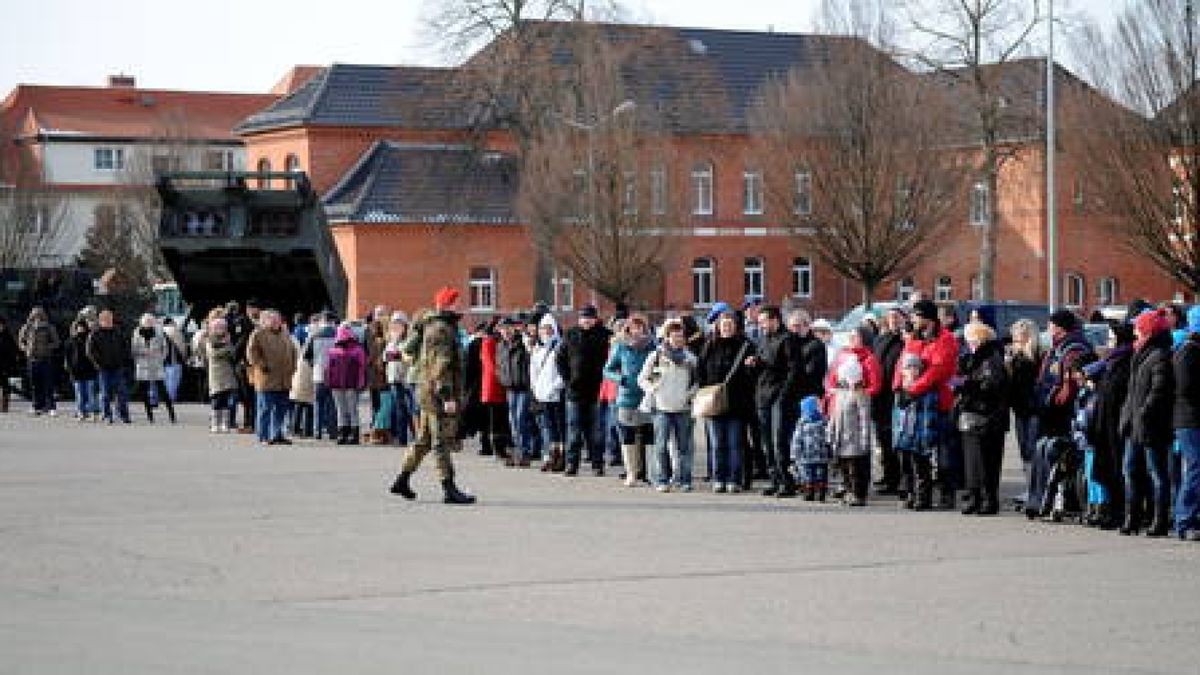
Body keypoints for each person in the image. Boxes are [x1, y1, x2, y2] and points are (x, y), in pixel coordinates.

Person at [389, 287, 476, 505]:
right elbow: (441, 366)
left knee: (424, 441)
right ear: (446, 304)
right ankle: (449, 489)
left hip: (428, 391)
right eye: (457, 302)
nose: (461, 305)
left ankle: (402, 479)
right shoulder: (441, 329)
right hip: (437, 394)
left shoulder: (439, 326)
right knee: (441, 442)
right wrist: (447, 397)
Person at [1027, 310, 1095, 519]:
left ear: (1058, 327)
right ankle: (1037, 500)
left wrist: (1049, 403)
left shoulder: (1073, 350)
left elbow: (1068, 387)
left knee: (1049, 449)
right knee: (1040, 449)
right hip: (1051, 412)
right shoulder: (1057, 348)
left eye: (1050, 325)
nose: (1047, 329)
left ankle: (1046, 499)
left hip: (1063, 416)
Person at [1119, 308, 1175, 537]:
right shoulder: (1139, 355)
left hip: (1151, 425)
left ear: (1148, 332)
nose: (1134, 332)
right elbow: (1132, 392)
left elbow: (1159, 390)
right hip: (1135, 424)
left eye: (1138, 329)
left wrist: (1143, 412)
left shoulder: (1159, 355)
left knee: (1157, 474)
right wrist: (1127, 415)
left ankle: (1159, 521)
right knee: (1129, 470)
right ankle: (1131, 518)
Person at [897, 300, 958, 509]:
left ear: (927, 318)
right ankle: (919, 494)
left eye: (917, 316)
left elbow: (938, 370)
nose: (913, 320)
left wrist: (913, 389)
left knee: (943, 452)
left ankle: (946, 494)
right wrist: (900, 387)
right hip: (916, 402)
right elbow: (904, 363)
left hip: (938, 401)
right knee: (914, 449)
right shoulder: (915, 338)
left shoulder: (945, 338)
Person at [954, 321, 1010, 516]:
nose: (969, 343)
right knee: (972, 461)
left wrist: (968, 385)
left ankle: (988, 499)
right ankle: (973, 497)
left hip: (988, 416)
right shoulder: (970, 357)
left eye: (972, 340)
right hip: (972, 414)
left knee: (987, 461)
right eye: (968, 340)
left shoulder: (992, 357)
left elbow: (992, 386)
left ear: (981, 339)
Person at [638, 319, 699, 492]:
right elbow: (641, 379)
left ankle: (684, 479)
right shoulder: (656, 356)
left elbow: (697, 383)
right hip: (661, 408)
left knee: (684, 447)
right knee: (661, 445)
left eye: (681, 336)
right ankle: (662, 479)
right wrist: (653, 389)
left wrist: (690, 395)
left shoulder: (691, 359)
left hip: (683, 408)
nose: (678, 339)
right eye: (674, 336)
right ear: (667, 337)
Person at [1086, 322, 1135, 529]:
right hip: (1104, 424)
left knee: (1117, 469)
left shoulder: (1126, 361)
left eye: (1112, 339)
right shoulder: (1111, 361)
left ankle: (1119, 512)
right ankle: (1110, 510)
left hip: (1116, 424)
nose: (1108, 343)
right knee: (1106, 469)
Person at [826, 328, 883, 506]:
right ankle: (847, 487)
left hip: (857, 403)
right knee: (840, 449)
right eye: (850, 336)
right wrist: (834, 391)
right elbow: (830, 379)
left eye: (855, 336)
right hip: (839, 404)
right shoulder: (841, 356)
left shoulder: (869, 359)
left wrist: (860, 392)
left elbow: (875, 385)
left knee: (857, 452)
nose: (851, 339)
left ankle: (859, 491)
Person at [556, 305, 613, 476]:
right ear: (579, 319)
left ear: (595, 319)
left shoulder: (604, 335)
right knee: (573, 429)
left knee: (595, 430)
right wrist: (567, 380)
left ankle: (597, 463)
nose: (586, 320)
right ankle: (572, 464)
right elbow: (560, 359)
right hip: (574, 390)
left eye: (589, 317)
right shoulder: (570, 334)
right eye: (583, 317)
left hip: (596, 390)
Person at [753, 306, 803, 498]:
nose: (761, 325)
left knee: (779, 441)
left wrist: (784, 394)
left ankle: (787, 482)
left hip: (780, 397)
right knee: (766, 441)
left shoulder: (788, 339)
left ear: (775, 320)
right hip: (763, 395)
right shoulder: (763, 339)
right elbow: (763, 364)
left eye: (764, 321)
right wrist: (755, 363)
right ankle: (775, 480)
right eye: (760, 322)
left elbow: (794, 370)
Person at [605, 314, 657, 486]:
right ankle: (631, 473)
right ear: (628, 329)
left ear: (645, 328)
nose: (637, 330)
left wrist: (653, 383)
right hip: (626, 396)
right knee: (627, 435)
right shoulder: (621, 347)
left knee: (649, 435)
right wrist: (621, 379)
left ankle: (651, 473)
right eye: (633, 327)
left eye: (640, 327)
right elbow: (607, 369)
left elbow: (659, 367)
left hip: (647, 396)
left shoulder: (653, 346)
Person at [1005, 319, 1043, 506]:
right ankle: (1030, 488)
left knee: (1031, 450)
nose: (1015, 341)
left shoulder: (1035, 356)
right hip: (1021, 409)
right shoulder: (1017, 357)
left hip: (1033, 409)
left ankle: (1035, 491)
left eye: (1019, 337)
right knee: (1024, 451)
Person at [246, 309, 298, 445]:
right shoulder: (258, 334)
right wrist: (261, 365)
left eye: (278, 319)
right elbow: (251, 353)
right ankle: (263, 436)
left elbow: (293, 351)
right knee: (265, 409)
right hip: (267, 378)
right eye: (272, 319)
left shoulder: (285, 333)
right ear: (265, 320)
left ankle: (277, 434)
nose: (276, 322)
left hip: (284, 379)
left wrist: (293, 367)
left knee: (281, 409)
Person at [872, 307, 908, 494]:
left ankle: (903, 480)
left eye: (897, 317)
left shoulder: (906, 340)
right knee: (884, 440)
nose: (893, 320)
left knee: (900, 440)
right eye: (890, 317)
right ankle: (889, 477)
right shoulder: (879, 339)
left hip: (898, 395)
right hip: (880, 396)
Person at [1172, 305, 1200, 541]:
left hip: (1190, 418)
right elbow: (1185, 388)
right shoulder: (1189, 351)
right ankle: (1185, 520)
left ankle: (1188, 517)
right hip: (1189, 419)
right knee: (1195, 468)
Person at [530, 313, 566, 472]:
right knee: (548, 426)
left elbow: (564, 372)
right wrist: (536, 388)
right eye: (543, 329)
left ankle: (561, 457)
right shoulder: (538, 348)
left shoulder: (560, 347)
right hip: (543, 394)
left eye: (549, 329)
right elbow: (533, 371)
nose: (546, 332)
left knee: (559, 426)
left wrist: (556, 386)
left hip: (557, 394)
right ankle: (552, 455)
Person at [497, 315, 534, 467]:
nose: (505, 331)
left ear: (514, 328)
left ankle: (524, 452)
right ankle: (518, 451)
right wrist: (503, 378)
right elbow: (499, 365)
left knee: (520, 419)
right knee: (513, 422)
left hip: (523, 387)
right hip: (510, 387)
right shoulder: (501, 346)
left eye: (508, 328)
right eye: (502, 329)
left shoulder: (522, 343)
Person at [325, 323, 368, 445]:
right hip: (343, 384)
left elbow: (362, 368)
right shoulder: (356, 349)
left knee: (346, 410)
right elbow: (329, 368)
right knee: (346, 409)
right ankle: (347, 434)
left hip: (348, 384)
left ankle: (348, 434)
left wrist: (361, 382)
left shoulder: (354, 349)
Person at [86, 309, 131, 424]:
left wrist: (122, 361)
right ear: (101, 320)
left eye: (110, 318)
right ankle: (107, 415)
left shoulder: (118, 332)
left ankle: (123, 415)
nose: (108, 321)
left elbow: (125, 348)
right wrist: (98, 364)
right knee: (105, 394)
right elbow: (90, 352)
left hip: (117, 368)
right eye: (105, 319)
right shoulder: (95, 334)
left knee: (121, 392)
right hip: (103, 369)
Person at [131, 314, 176, 424]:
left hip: (156, 364)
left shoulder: (159, 332)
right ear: (142, 322)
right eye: (146, 321)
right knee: (144, 392)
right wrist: (142, 353)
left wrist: (161, 358)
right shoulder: (136, 332)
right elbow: (133, 350)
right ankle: (149, 416)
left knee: (163, 391)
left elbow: (165, 348)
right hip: (142, 365)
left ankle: (172, 414)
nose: (149, 323)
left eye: (151, 321)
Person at [18, 306, 60, 416]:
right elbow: (21, 341)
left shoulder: (49, 327)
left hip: (46, 359)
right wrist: (26, 348)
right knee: (35, 385)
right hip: (32, 359)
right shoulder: (27, 327)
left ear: (43, 315)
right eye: (35, 315)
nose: (37, 317)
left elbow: (56, 342)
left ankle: (51, 407)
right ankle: (37, 406)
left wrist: (46, 347)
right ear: (31, 316)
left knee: (48, 384)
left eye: (39, 315)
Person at [303, 312, 338, 441]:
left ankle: (317, 432)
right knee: (332, 404)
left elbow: (306, 355)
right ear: (333, 321)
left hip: (318, 374)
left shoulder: (314, 335)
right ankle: (333, 431)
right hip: (334, 375)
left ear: (322, 321)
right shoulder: (338, 335)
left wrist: (314, 365)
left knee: (318, 403)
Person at [201, 317, 238, 433]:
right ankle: (214, 424)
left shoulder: (228, 340)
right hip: (215, 373)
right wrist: (226, 348)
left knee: (226, 400)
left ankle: (225, 424)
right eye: (218, 327)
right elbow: (213, 354)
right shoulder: (209, 340)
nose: (220, 329)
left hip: (227, 373)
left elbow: (233, 352)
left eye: (222, 327)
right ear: (213, 328)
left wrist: (227, 349)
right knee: (216, 399)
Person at [383, 312, 414, 446]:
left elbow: (407, 357)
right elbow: (385, 357)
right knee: (398, 408)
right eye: (394, 323)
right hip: (394, 378)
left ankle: (412, 436)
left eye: (399, 323)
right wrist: (394, 346)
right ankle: (400, 437)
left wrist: (396, 354)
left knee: (410, 408)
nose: (396, 326)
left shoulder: (409, 340)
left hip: (406, 378)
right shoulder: (391, 341)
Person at [792, 395, 831, 501]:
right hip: (822, 455)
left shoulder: (802, 423)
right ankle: (821, 492)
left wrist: (795, 454)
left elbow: (797, 440)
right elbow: (830, 438)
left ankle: (810, 492)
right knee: (821, 474)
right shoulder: (824, 421)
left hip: (807, 456)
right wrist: (831, 451)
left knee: (808, 475)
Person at [64, 318, 99, 421]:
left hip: (90, 370)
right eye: (78, 327)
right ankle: (81, 412)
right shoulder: (71, 341)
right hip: (76, 371)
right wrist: (69, 368)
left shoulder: (90, 338)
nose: (80, 329)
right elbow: (67, 356)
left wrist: (96, 365)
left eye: (82, 326)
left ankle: (93, 413)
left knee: (90, 393)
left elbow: (94, 353)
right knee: (79, 393)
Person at [161, 317, 188, 404]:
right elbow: (181, 347)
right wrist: (185, 357)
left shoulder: (158, 331)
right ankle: (171, 398)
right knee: (173, 380)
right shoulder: (175, 331)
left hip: (162, 360)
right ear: (171, 322)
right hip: (174, 360)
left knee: (165, 380)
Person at [0, 315, 18, 413]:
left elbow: (13, 350)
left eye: (2, 325)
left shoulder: (8, 336)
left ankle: (4, 406)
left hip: (5, 365)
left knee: (5, 386)